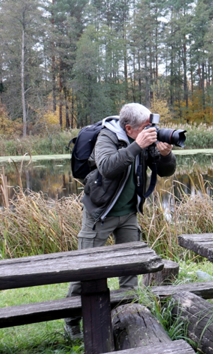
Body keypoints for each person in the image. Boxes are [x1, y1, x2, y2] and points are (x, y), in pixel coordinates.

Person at [64, 103, 177, 339]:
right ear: (129, 128)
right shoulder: (107, 137)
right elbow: (107, 167)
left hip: (128, 213)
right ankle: (72, 322)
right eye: (147, 126)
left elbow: (166, 171)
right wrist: (138, 146)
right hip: (101, 214)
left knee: (129, 269)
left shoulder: (143, 138)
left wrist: (166, 154)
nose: (153, 130)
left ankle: (126, 315)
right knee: (85, 268)